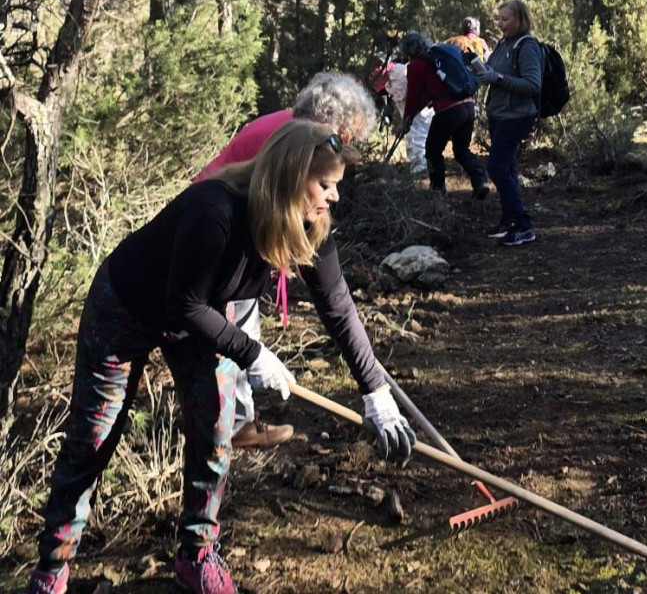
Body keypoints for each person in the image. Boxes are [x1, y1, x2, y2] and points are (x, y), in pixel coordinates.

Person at [25, 120, 416, 594]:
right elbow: (183, 305)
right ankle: (52, 569)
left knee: (215, 430)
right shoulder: (216, 211)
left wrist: (375, 389)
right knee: (93, 439)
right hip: (128, 306)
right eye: (326, 185)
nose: (334, 197)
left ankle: (196, 553)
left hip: (202, 315)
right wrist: (253, 353)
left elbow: (337, 305)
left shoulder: (311, 223)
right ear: (292, 179)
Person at [194, 72, 378, 450]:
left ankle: (237, 419)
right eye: (349, 138)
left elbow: (331, 291)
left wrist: (375, 387)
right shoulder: (286, 151)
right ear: (329, 127)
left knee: (242, 324)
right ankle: (225, 426)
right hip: (211, 235)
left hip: (244, 231)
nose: (350, 146)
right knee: (227, 329)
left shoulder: (305, 141)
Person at [477, 0, 542, 246]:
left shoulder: (527, 46)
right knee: (508, 167)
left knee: (497, 167)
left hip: (516, 116)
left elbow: (532, 84)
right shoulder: (504, 43)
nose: (501, 24)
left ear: (520, 19)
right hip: (500, 113)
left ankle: (523, 226)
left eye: (506, 19)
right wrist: (482, 71)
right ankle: (509, 221)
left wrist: (499, 77)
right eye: (499, 19)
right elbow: (493, 70)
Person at [399, 31, 489, 199]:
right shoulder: (440, 55)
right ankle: (480, 180)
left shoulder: (416, 66)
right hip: (468, 105)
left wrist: (407, 120)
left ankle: (437, 192)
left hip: (448, 110)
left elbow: (413, 96)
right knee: (462, 149)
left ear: (407, 51)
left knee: (432, 151)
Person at [384, 61, 434, 174]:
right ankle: (422, 163)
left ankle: (420, 165)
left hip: (418, 109)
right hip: (420, 106)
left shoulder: (399, 76)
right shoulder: (402, 70)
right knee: (419, 132)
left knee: (417, 133)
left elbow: (401, 95)